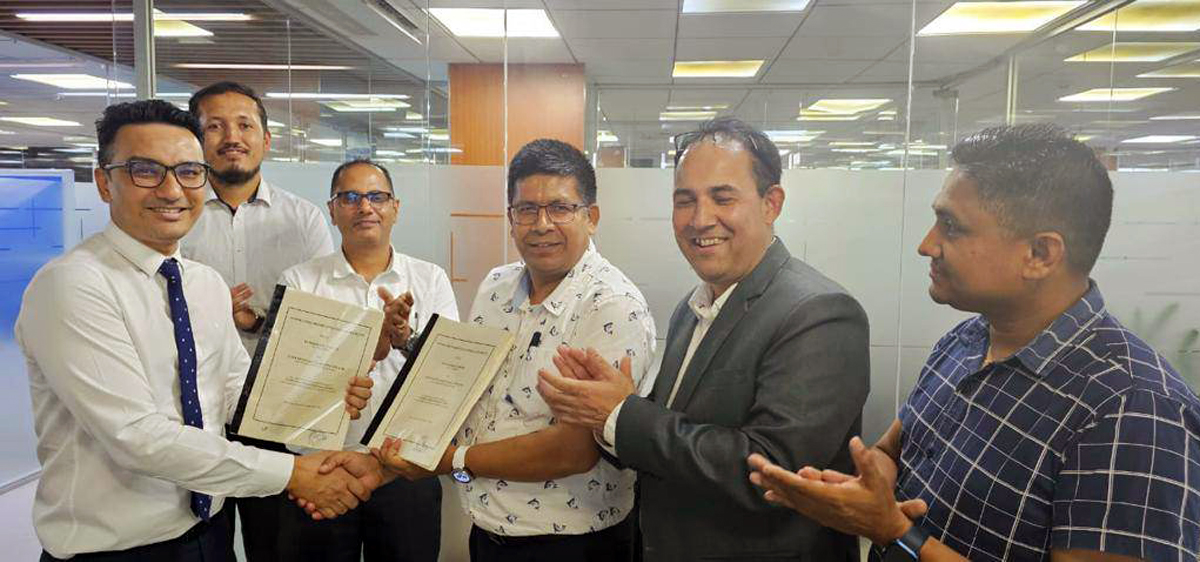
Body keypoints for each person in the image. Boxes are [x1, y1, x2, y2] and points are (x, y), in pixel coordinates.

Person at [748, 124, 1200, 562]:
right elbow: (890, 451)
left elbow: (895, 528)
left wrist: (894, 532)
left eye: (951, 226)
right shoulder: (967, 340)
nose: (927, 245)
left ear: (1040, 254)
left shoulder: (1133, 410)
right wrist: (864, 492)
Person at [16, 99, 381, 562]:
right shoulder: (73, 285)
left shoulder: (203, 283)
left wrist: (321, 400)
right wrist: (295, 474)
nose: (172, 190)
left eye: (189, 171)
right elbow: (137, 436)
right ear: (104, 182)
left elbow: (235, 394)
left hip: (209, 535)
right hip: (116, 552)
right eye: (146, 171)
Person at [537, 117, 870, 561]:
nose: (699, 219)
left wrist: (621, 414)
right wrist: (605, 411)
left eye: (723, 198)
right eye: (685, 200)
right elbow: (675, 431)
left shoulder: (819, 313)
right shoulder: (692, 307)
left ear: (771, 203)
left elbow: (769, 471)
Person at [323, 138, 657, 561]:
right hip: (489, 531)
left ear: (590, 217)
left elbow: (574, 450)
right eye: (527, 209)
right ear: (511, 217)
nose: (541, 224)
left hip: (572, 544)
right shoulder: (497, 286)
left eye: (560, 208)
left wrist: (450, 460)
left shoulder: (611, 306)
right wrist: (386, 464)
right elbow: (466, 388)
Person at [182, 81, 335, 560]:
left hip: (279, 405)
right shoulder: (177, 215)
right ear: (196, 139)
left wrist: (254, 323)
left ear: (266, 139)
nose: (232, 137)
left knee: (279, 543)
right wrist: (208, 314)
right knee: (203, 539)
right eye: (215, 126)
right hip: (195, 404)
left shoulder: (304, 219)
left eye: (245, 125)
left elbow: (320, 319)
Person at [277, 159, 458, 561]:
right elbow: (289, 381)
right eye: (350, 197)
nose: (365, 207)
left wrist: (404, 338)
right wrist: (368, 351)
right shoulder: (299, 282)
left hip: (404, 468)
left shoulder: (429, 279)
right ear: (332, 210)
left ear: (396, 208)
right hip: (321, 471)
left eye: (377, 196)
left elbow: (448, 374)